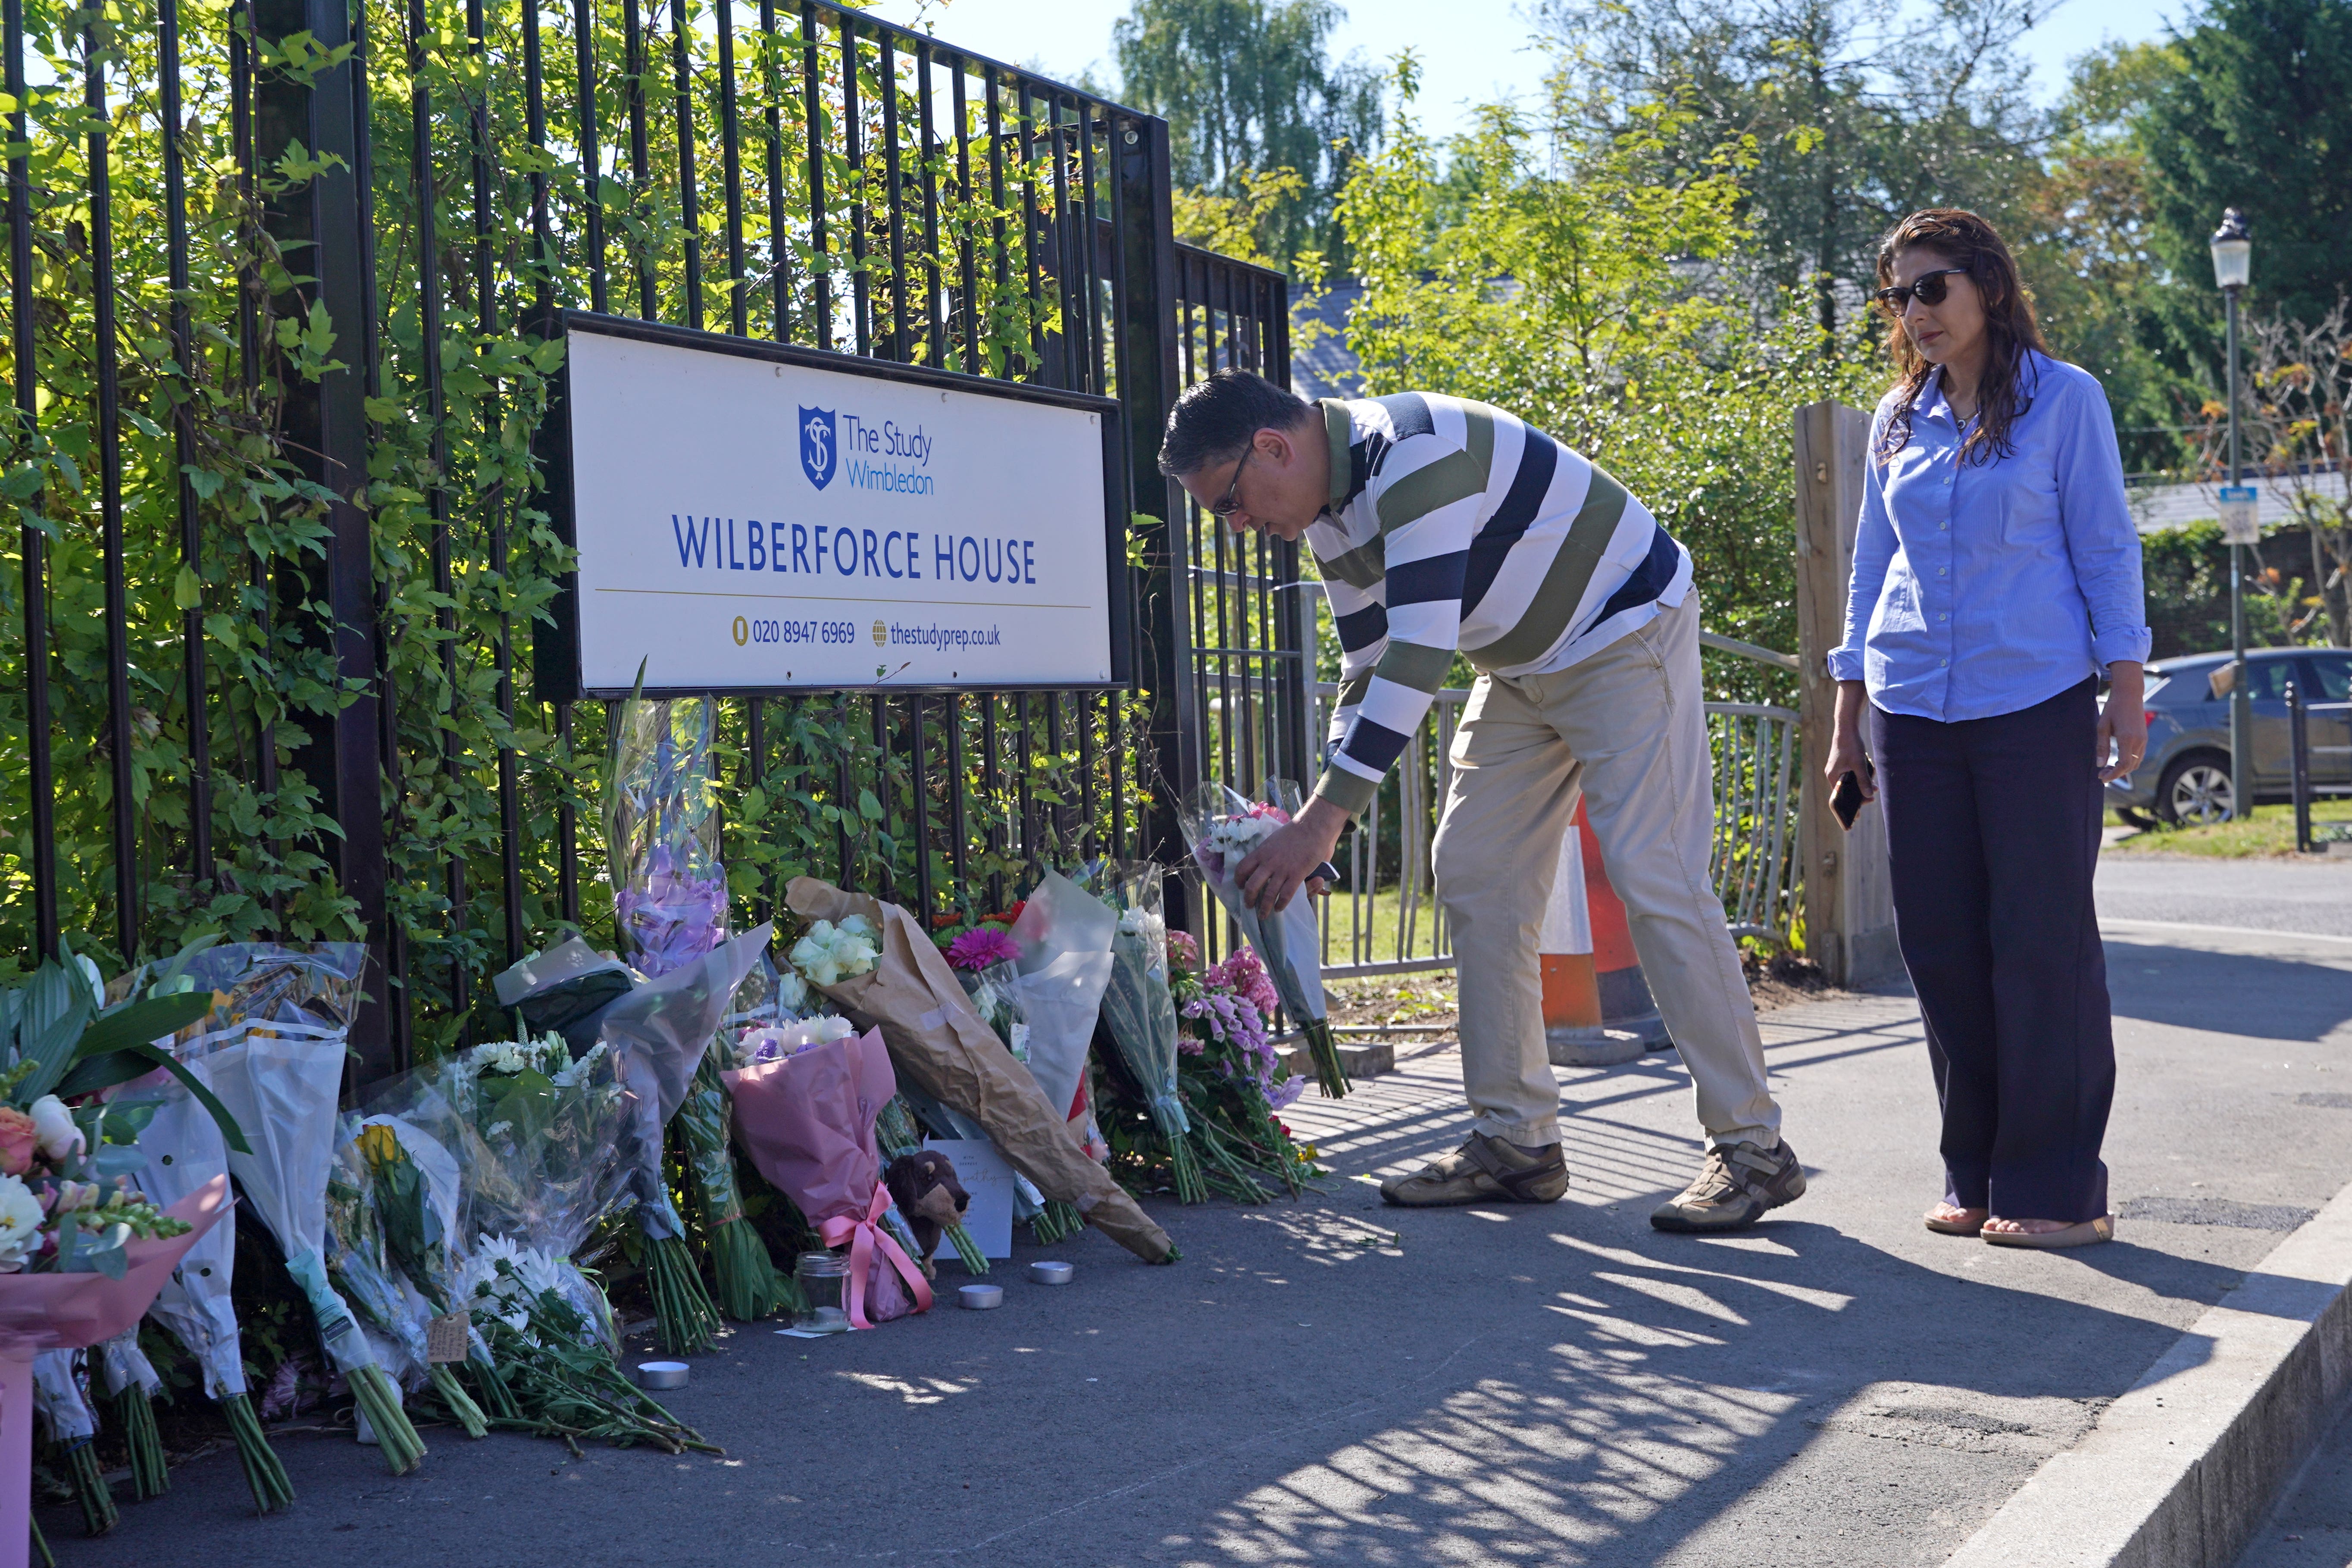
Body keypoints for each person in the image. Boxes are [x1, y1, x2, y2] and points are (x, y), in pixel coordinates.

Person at [1159, 369, 1804, 1233]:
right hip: (1524, 663)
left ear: (1273, 447)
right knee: (1474, 868)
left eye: (1230, 502)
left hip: (1622, 631)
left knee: (1654, 874)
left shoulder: (1412, 456)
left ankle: (1753, 1149)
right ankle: (1517, 1144)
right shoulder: (1329, 513)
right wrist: (1317, 816)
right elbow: (1367, 664)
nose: (1239, 527)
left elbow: (1421, 655)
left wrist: (1321, 822)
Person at [1825, 208, 2149, 1250]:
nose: (1913, 312)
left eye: (1931, 288)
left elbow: (2104, 549)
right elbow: (1871, 571)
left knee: (2041, 942)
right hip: (1916, 706)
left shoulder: (2066, 401)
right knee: (1943, 944)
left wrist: (2128, 688)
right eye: (1897, 294)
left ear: (1987, 287)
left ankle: (2057, 1188)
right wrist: (1848, 713)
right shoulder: (1895, 419)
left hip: (2035, 704)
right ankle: (1975, 1173)